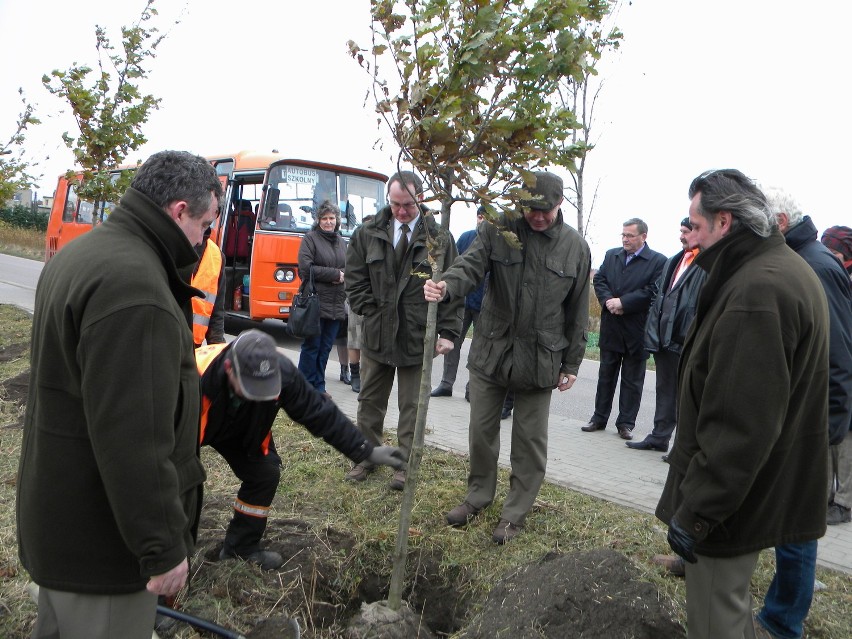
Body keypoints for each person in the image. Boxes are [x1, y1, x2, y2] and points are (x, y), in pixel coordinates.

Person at [17, 150, 222, 638]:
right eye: (205, 225)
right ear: (178, 212)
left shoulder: (84, 254)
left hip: (66, 522)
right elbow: (133, 437)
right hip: (103, 550)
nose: (205, 240)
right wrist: (162, 547)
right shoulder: (137, 288)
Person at [656, 169, 830, 639]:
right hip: (751, 490)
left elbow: (740, 425)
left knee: (717, 620)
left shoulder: (757, 290)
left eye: (694, 219)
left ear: (724, 222)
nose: (687, 230)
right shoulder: (776, 269)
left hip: (731, 506)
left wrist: (698, 513)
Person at [424, 171, 591, 544]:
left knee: (529, 443)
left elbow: (578, 311)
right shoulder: (499, 228)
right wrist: (447, 284)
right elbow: (470, 265)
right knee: (481, 432)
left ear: (560, 204)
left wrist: (572, 363)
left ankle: (514, 514)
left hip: (540, 359)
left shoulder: (574, 247)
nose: (538, 218)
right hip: (492, 351)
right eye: (531, 210)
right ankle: (478, 497)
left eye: (545, 211)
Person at [196, 329, 406, 571]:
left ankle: (240, 548)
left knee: (264, 474)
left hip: (242, 428)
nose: (260, 396)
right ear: (230, 369)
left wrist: (365, 451)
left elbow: (319, 413)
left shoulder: (280, 372)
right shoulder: (195, 380)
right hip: (193, 424)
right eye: (253, 388)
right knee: (185, 483)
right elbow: (168, 454)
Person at [748, 189, 852, 639]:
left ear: (782, 221)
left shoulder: (815, 266)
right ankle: (712, 566)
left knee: (794, 525)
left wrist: (828, 425)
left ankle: (782, 619)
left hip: (805, 420)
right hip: (784, 412)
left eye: (757, 220)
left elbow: (839, 355)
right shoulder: (797, 257)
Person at [344, 171, 461, 490]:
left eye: (407, 204)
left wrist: (448, 332)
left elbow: (453, 287)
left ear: (420, 199)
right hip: (377, 333)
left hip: (416, 335)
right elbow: (354, 277)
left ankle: (405, 465)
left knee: (411, 406)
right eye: (394, 204)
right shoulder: (367, 232)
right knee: (369, 401)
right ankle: (366, 456)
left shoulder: (439, 239)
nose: (400, 211)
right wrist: (368, 308)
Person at [582, 218, 665, 440]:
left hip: (637, 330)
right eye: (623, 235)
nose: (625, 239)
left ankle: (626, 424)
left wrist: (624, 303)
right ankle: (598, 418)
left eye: (630, 235)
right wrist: (609, 300)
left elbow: (652, 291)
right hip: (612, 326)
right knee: (606, 376)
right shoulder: (612, 255)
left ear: (643, 237)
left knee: (632, 380)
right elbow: (599, 279)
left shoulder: (658, 261)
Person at [627, 218, 705, 453]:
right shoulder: (674, 261)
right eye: (680, 231)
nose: (681, 236)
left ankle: (682, 446)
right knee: (665, 390)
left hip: (685, 340)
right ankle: (659, 437)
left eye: (686, 232)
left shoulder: (706, 264)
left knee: (686, 396)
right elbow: (659, 296)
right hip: (665, 338)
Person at [431, 207, 487, 399]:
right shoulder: (466, 238)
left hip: (484, 306)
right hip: (462, 302)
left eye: (486, 218)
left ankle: (472, 389)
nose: (482, 221)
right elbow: (456, 267)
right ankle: (446, 383)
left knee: (479, 349)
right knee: (451, 341)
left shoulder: (495, 242)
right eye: (480, 216)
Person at [297, 201, 348, 397]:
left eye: (332, 218)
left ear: (337, 220)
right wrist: (335, 275)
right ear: (318, 220)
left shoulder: (342, 242)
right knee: (312, 347)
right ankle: (303, 388)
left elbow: (349, 268)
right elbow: (305, 269)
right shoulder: (310, 239)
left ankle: (319, 385)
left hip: (335, 304)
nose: (328, 222)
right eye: (324, 218)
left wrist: (343, 274)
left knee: (325, 348)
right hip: (315, 303)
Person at [820, 225, 852, 528]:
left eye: (836, 253)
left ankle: (845, 502)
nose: (831, 257)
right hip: (836, 369)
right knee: (830, 435)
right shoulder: (833, 276)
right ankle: (828, 495)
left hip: (848, 370)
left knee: (846, 443)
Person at [191, 226, 226, 346]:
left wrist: (217, 350)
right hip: (161, 342)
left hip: (192, 348)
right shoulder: (167, 243)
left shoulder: (216, 256)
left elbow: (216, 311)